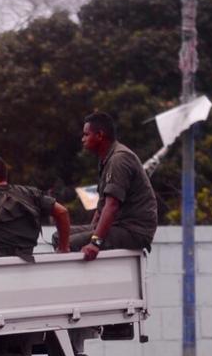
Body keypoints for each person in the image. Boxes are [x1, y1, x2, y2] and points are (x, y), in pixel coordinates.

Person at [68, 111, 158, 260]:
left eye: (86, 134)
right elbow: (102, 206)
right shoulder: (106, 159)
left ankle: (80, 282)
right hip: (118, 226)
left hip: (133, 230)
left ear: (99, 135)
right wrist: (92, 230)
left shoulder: (119, 159)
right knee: (60, 237)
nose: (82, 139)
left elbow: (112, 205)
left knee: (71, 243)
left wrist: (95, 242)